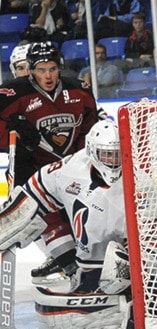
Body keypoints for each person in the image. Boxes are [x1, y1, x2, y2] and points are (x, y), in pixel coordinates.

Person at [0, 119, 157, 329]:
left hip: (124, 258)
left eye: (117, 154)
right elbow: (37, 189)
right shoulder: (70, 170)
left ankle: (149, 290)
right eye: (107, 155)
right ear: (92, 152)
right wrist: (13, 217)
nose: (113, 162)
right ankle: (86, 279)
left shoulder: (140, 183)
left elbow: (151, 234)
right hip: (87, 263)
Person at [0, 41, 101, 286]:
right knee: (37, 214)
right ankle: (69, 264)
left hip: (71, 166)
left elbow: (91, 130)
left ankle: (97, 260)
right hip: (33, 170)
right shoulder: (14, 93)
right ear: (32, 70)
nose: (48, 75)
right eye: (41, 69)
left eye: (52, 69)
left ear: (60, 68)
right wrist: (12, 128)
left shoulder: (79, 90)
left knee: (90, 211)